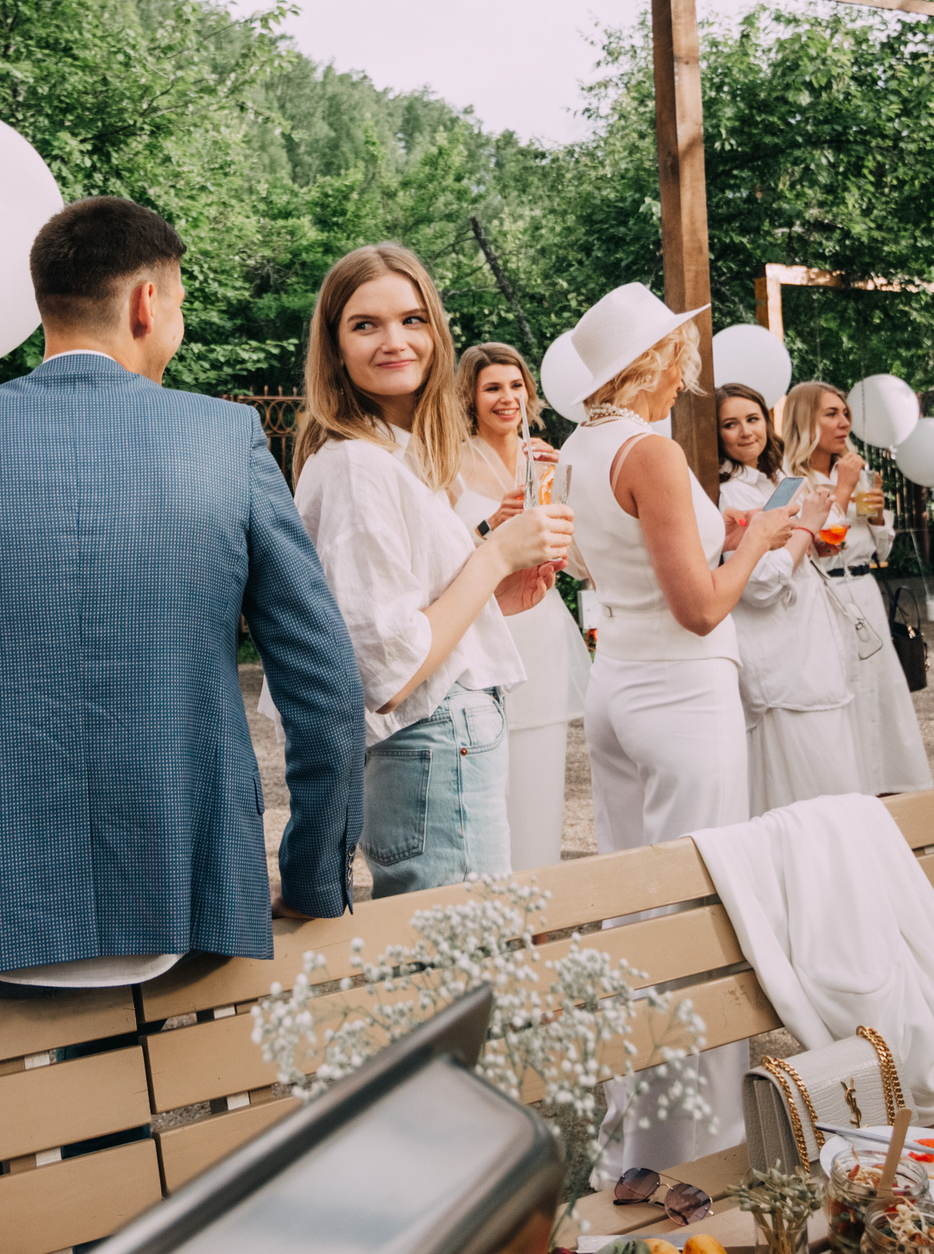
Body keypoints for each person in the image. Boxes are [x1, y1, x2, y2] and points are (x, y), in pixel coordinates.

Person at [0, 197, 366, 1002]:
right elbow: (327, 691)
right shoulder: (226, 441)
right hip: (190, 908)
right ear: (147, 302)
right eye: (178, 306)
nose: (176, 328)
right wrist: (313, 878)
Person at [558, 285, 798, 1177]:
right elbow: (699, 607)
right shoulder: (650, 449)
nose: (688, 362)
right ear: (657, 360)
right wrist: (759, 538)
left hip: (617, 685)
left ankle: (639, 1139)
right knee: (701, 914)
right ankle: (694, 1152)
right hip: (682, 695)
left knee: (640, 912)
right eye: (678, 348)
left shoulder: (580, 451)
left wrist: (724, 533)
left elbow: (614, 561)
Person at [293, 247, 572, 898]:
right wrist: (496, 553)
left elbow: (415, 615)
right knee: (458, 967)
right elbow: (387, 667)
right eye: (366, 324)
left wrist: (498, 594)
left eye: (412, 318)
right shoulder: (359, 466)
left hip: (444, 746)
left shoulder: (401, 454)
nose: (395, 339)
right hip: (432, 747)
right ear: (334, 346)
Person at [451, 343, 592, 869]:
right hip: (481, 627)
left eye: (516, 386)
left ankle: (538, 911)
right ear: (471, 395)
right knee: (486, 777)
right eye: (493, 387)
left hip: (542, 630)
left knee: (540, 771)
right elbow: (435, 558)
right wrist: (494, 523)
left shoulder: (547, 459)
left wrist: (566, 499)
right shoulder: (451, 460)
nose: (507, 398)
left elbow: (576, 561)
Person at [778, 380, 934, 794]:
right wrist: (843, 492)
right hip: (823, 594)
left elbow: (881, 548)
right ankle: (850, 787)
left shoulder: (857, 472)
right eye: (831, 414)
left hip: (864, 588)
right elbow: (823, 547)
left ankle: (890, 785)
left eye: (845, 413)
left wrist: (880, 518)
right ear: (806, 420)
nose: (844, 422)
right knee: (842, 684)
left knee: (878, 690)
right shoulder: (790, 479)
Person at [714, 383, 863, 811]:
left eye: (753, 419)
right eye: (730, 424)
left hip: (814, 651)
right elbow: (760, 584)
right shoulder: (728, 493)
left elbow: (799, 551)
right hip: (781, 665)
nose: (745, 432)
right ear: (716, 435)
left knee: (837, 785)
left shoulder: (776, 480)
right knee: (805, 797)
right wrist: (807, 529)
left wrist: (815, 540)